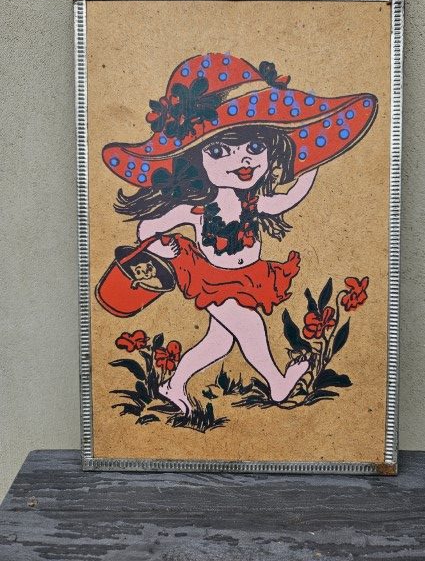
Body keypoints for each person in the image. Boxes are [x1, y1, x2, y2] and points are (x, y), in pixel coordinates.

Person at [101, 53, 377, 413]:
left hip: (246, 276)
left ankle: (173, 384)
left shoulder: (253, 201)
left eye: (255, 147)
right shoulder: (197, 207)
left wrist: (310, 165)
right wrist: (163, 247)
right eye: (219, 151)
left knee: (219, 342)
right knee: (249, 325)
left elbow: (284, 200)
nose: (243, 160)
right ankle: (277, 384)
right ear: (196, 159)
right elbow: (149, 226)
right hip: (211, 279)